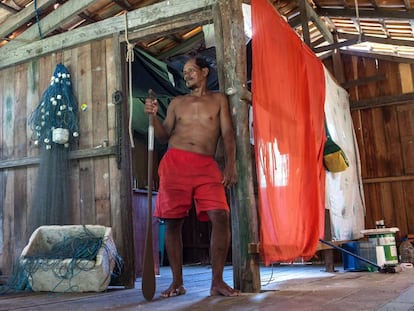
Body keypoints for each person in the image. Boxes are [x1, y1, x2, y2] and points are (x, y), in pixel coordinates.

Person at [144, 56, 239, 297]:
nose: (186, 75)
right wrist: (153, 116)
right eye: (184, 72)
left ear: (205, 72)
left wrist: (230, 166)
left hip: (206, 165)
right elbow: (164, 135)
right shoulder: (177, 102)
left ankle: (217, 281)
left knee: (220, 215)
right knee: (173, 222)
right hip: (175, 163)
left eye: (190, 70)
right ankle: (177, 282)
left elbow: (227, 134)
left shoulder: (219, 100)